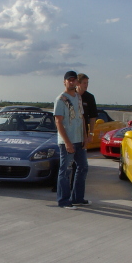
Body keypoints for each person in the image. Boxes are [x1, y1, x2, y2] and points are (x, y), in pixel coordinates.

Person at [54, 71, 91, 209]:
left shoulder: (78, 98)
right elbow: (58, 122)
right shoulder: (61, 99)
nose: (71, 82)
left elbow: (81, 118)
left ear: (76, 82)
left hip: (79, 139)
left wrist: (85, 136)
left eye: (74, 80)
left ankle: (77, 198)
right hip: (67, 141)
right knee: (65, 171)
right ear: (64, 82)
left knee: (82, 167)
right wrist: (67, 143)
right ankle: (63, 200)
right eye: (69, 80)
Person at [76, 73, 98, 142]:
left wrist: (91, 134)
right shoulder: (71, 95)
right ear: (78, 83)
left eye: (87, 83)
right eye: (84, 83)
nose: (86, 85)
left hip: (83, 132)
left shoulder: (90, 97)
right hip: (71, 132)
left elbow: (93, 117)